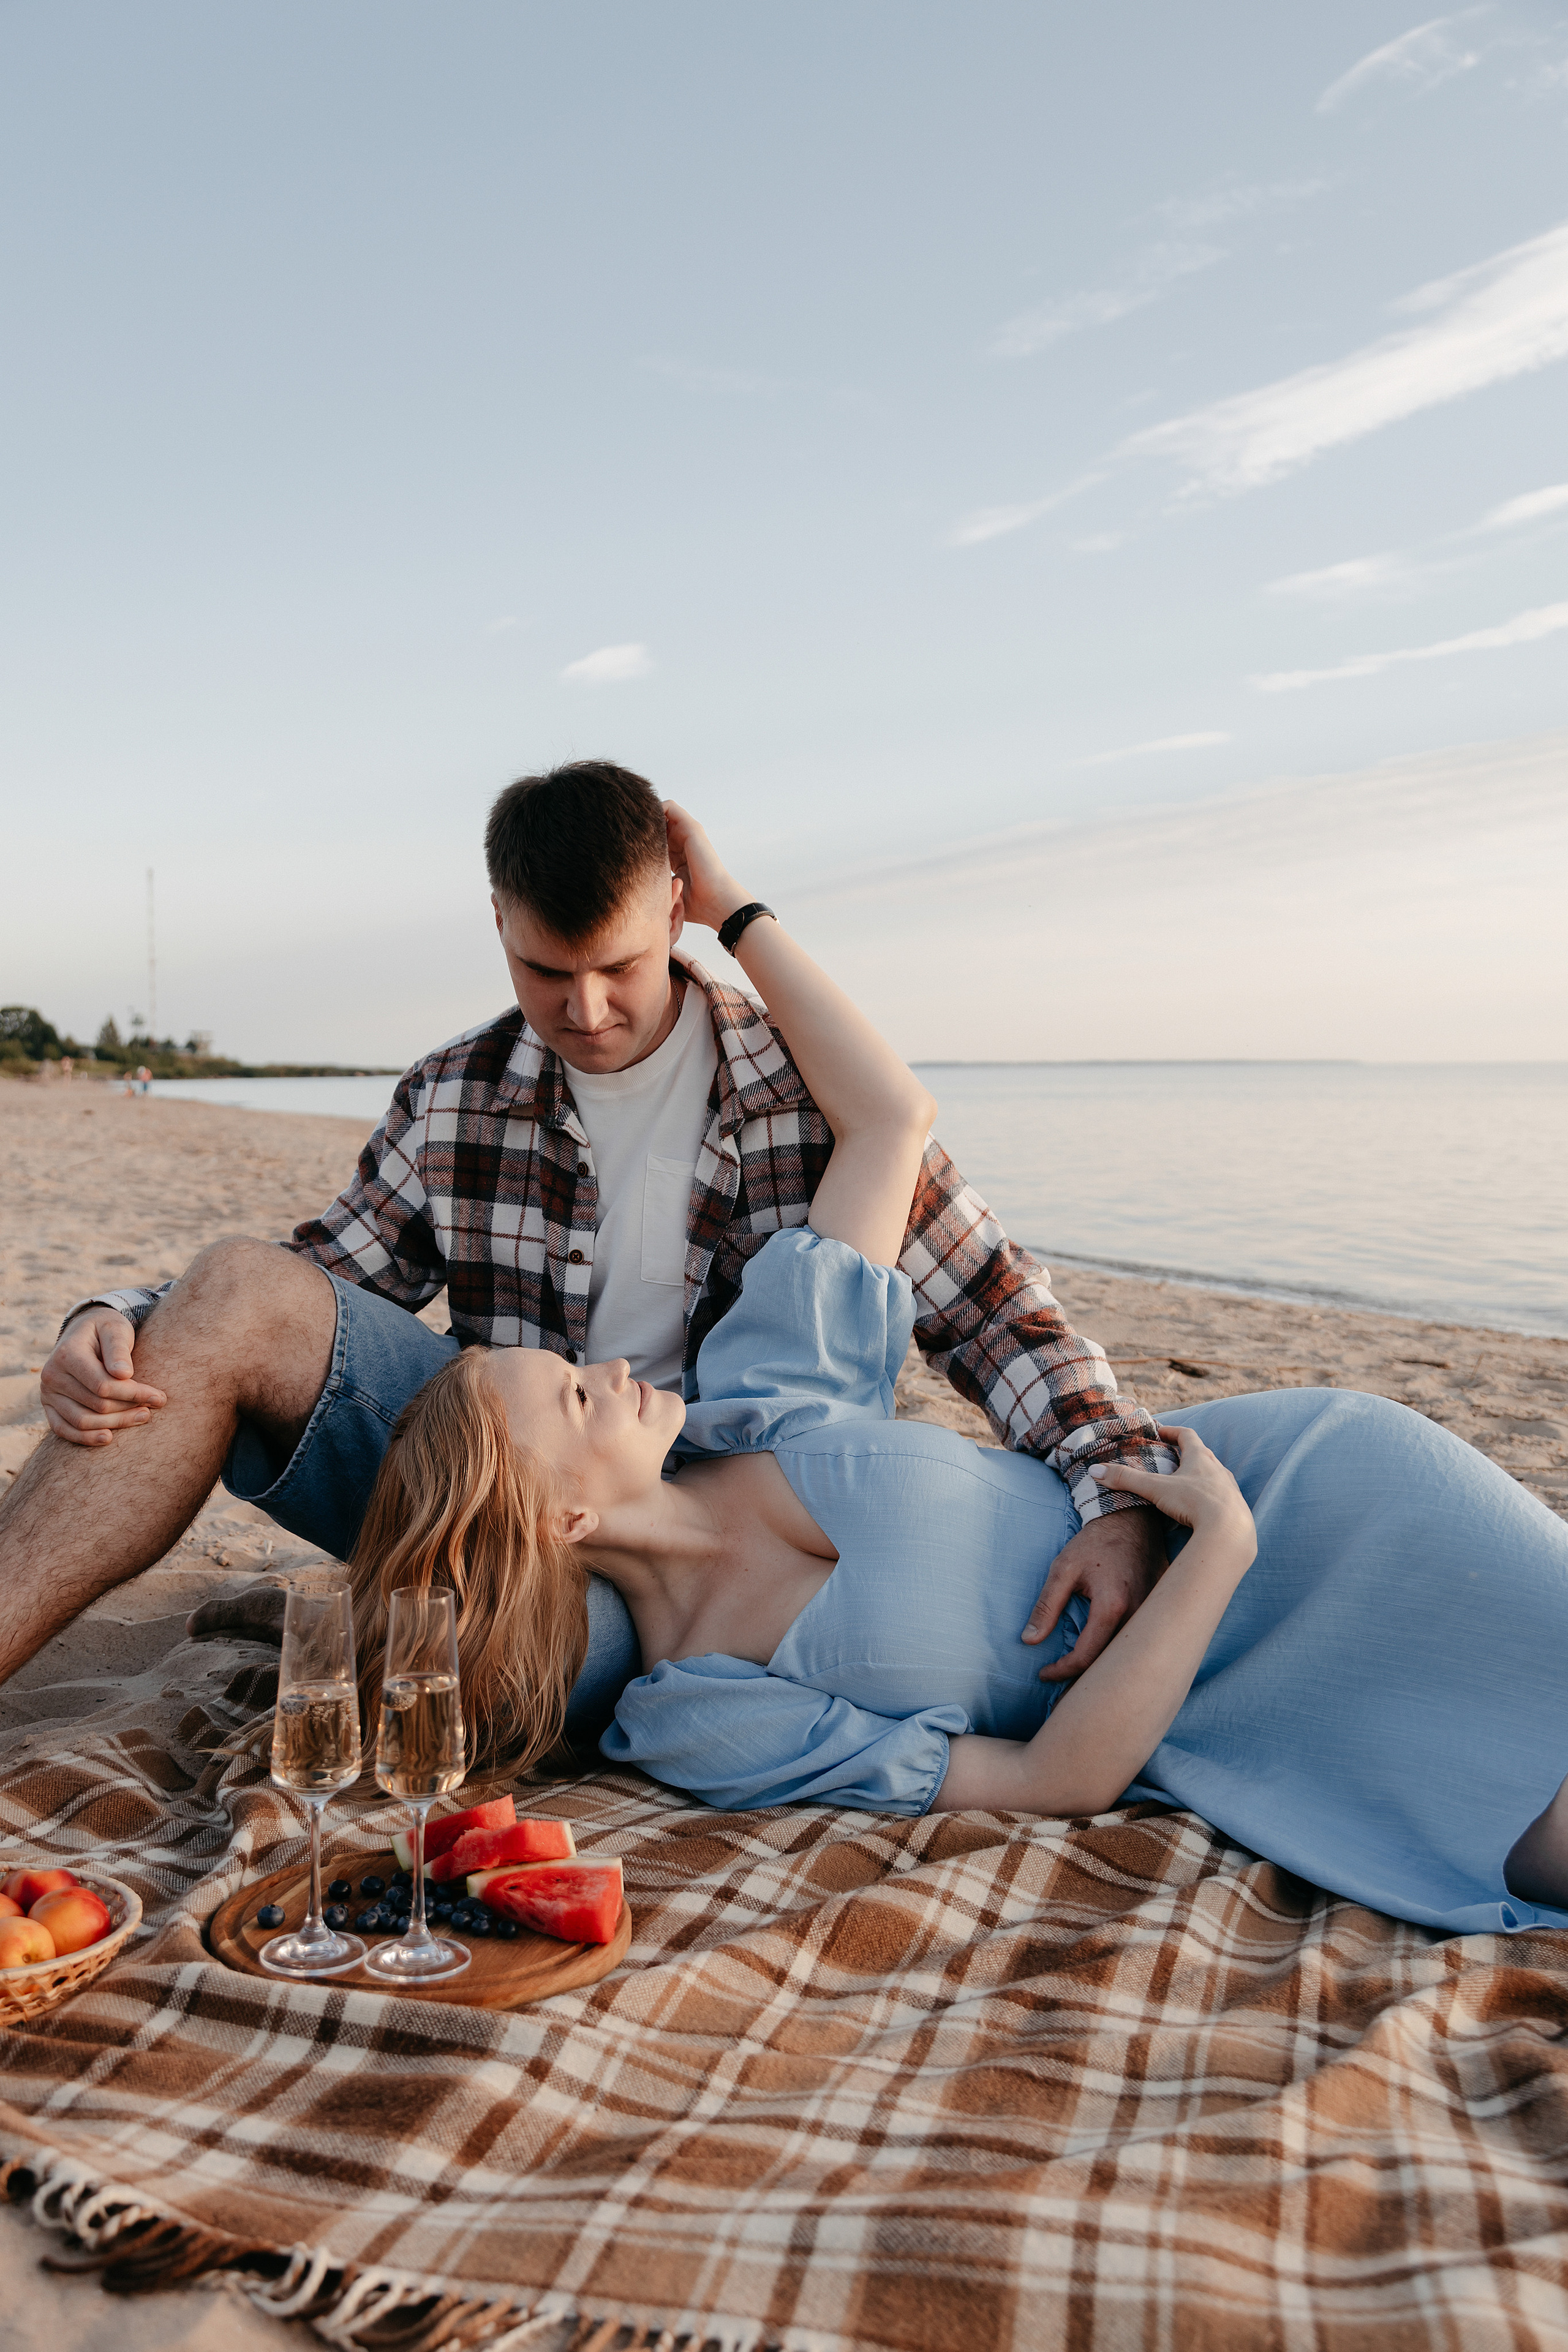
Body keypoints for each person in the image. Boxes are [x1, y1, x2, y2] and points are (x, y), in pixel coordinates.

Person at [348, 812, 1568, 1936]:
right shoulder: (696, 1715)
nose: (607, 1369)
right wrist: (1219, 1560)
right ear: (563, 1514)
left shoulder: (768, 1392)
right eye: (572, 1394)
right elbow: (1057, 1779)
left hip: (1316, 1499)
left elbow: (889, 1120)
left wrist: (730, 913)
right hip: (1215, 1669)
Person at [0, 766, 1174, 1727]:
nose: (588, 1009)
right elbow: (323, 1278)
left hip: (705, 1544)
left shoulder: (801, 1086)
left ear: (675, 911)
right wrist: (122, 1318)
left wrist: (1108, 1498)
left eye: (617, 965)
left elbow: (995, 1310)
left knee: (502, 1690)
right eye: (544, 972)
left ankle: (393, 1625)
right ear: (500, 924)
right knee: (230, 1291)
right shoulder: (457, 1090)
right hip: (501, 1474)